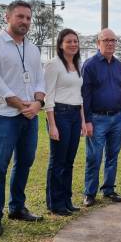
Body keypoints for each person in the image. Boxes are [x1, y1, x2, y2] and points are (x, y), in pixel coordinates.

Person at [0, 0, 45, 237]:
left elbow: (39, 79)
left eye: (28, 18)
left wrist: (37, 103)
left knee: (24, 163)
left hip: (29, 116)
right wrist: (20, 104)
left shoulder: (33, 48)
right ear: (7, 17)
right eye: (20, 17)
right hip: (3, 115)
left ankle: (17, 208)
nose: (25, 22)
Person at [44, 28, 88, 216]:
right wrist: (52, 125)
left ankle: (67, 199)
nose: (73, 44)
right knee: (58, 161)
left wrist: (83, 121)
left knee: (69, 161)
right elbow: (48, 96)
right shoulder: (53, 65)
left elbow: (80, 96)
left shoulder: (78, 64)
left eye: (75, 41)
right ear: (61, 44)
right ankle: (55, 203)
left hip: (74, 115)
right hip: (59, 115)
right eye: (69, 41)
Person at [81, 28, 121, 206]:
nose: (110, 43)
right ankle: (89, 193)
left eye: (113, 40)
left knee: (112, 156)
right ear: (98, 43)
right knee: (94, 156)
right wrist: (87, 120)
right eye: (106, 40)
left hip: (116, 118)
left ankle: (108, 189)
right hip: (97, 118)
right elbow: (85, 95)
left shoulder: (119, 66)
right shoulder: (90, 65)